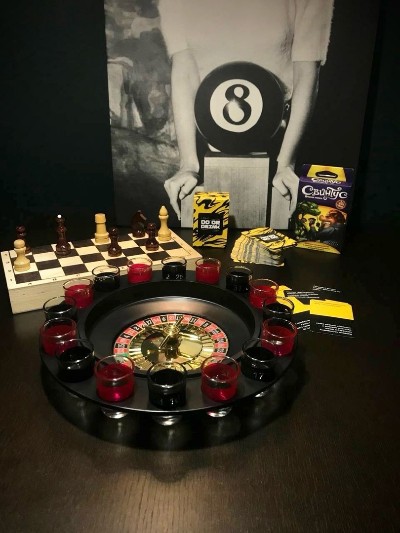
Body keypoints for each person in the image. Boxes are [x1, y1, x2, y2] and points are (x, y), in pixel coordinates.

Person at [158, 0, 334, 223]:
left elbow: (306, 73)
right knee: (211, 241)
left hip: (282, 147)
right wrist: (189, 164)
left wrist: (286, 163)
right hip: (209, 152)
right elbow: (184, 71)